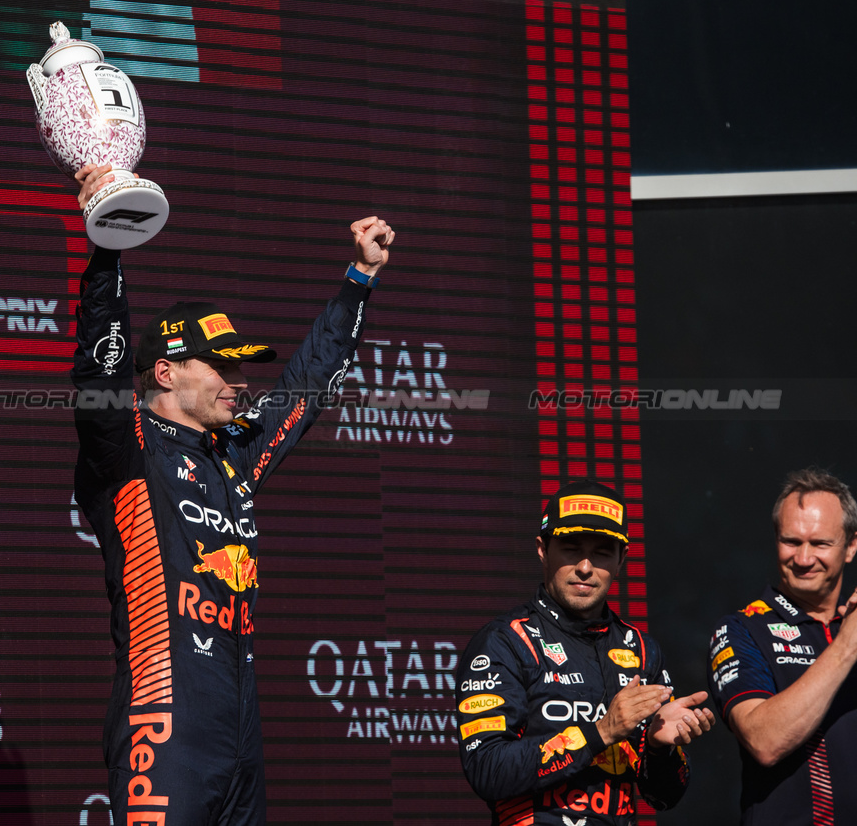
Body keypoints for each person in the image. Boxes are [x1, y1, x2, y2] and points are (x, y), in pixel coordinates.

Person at [70, 163, 392, 825]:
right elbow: (97, 365)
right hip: (166, 726)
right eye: (221, 365)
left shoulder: (234, 452)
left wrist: (357, 282)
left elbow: (306, 387)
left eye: (241, 366)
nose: (238, 381)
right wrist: (108, 243)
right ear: (164, 371)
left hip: (241, 738)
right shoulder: (125, 446)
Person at [457, 480, 714, 825]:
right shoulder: (505, 642)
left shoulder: (641, 650)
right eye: (571, 548)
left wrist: (658, 748)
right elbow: (487, 770)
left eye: (602, 552)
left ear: (622, 559)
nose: (585, 567)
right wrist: (602, 731)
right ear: (542, 550)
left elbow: (663, 797)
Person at [707, 467, 857, 824]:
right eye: (791, 541)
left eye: (820, 544)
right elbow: (764, 740)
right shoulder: (741, 629)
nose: (804, 559)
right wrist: (847, 644)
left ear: (851, 546)